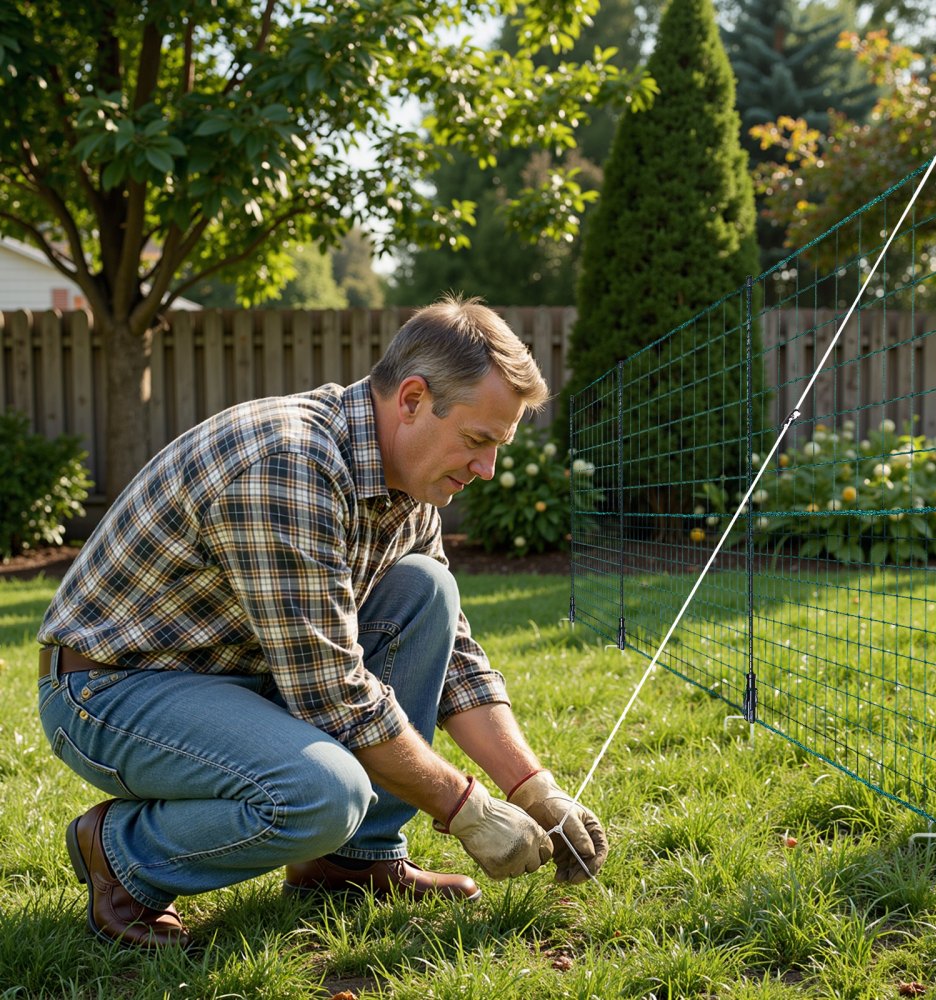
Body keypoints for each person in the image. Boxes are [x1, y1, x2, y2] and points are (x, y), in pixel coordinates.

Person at [36, 294, 608, 949]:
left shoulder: (411, 493)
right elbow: (333, 696)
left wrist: (537, 791)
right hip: (111, 692)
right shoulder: (289, 463)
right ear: (413, 399)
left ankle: (351, 865)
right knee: (323, 793)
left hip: (233, 678)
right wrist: (467, 808)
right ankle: (123, 854)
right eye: (478, 441)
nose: (487, 469)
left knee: (427, 590)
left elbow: (453, 661)